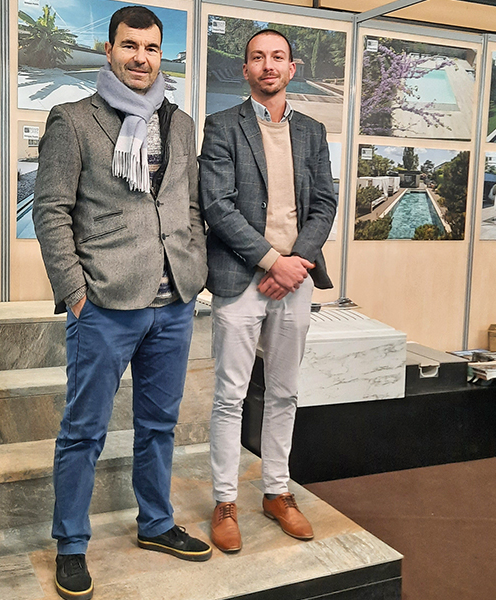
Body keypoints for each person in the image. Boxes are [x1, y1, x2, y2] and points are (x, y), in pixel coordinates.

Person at [33, 6, 210, 600]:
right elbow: (51, 211)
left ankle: (156, 523)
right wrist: (75, 293)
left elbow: (187, 204)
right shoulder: (72, 120)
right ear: (108, 50)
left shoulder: (180, 124)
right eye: (130, 45)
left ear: (161, 55)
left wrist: (193, 270)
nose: (141, 57)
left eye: (151, 48)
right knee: (83, 431)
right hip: (105, 305)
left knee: (159, 425)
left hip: (173, 302)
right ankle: (71, 544)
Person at [198, 29, 338, 553]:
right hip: (241, 279)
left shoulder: (312, 131)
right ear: (246, 69)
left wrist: (295, 263)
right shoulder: (221, 126)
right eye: (257, 57)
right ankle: (225, 501)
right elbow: (217, 205)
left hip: (294, 279)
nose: (268, 65)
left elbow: (324, 202)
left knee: (284, 392)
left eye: (277, 57)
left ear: (292, 68)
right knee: (229, 396)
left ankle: (277, 492)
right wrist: (271, 261)